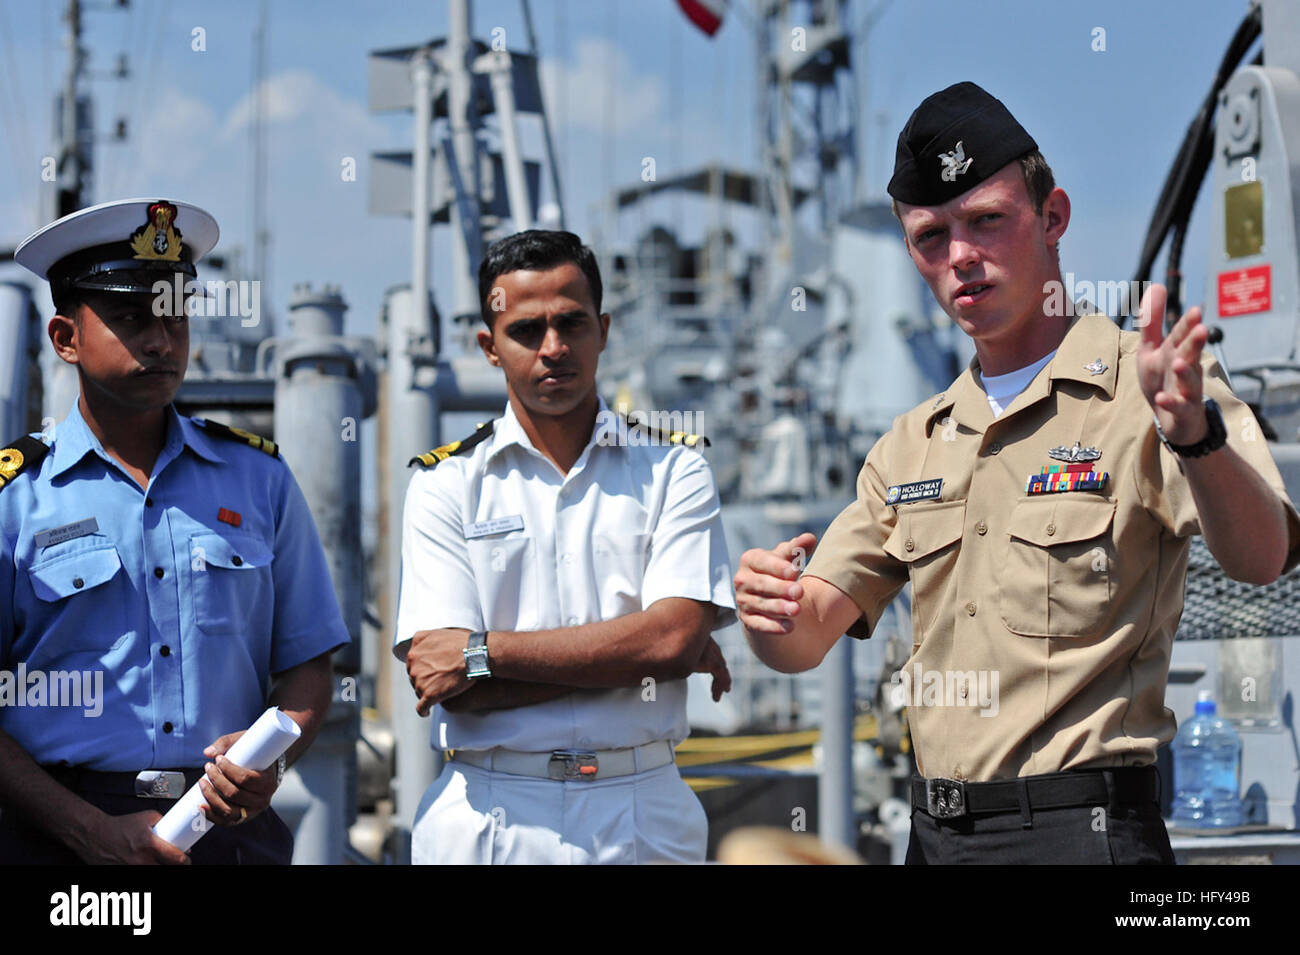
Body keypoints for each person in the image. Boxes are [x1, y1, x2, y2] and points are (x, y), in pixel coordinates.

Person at [734, 83, 1300, 864]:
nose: (961, 254)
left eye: (987, 221)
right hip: (934, 838)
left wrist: (1195, 435)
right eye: (931, 236)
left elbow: (1261, 557)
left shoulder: (1146, 389)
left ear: (1054, 217)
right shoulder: (911, 446)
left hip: (1082, 832)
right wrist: (769, 614)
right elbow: (807, 635)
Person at [0, 198, 349, 864]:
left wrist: (269, 769)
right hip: (56, 839)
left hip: (228, 831)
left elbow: (309, 664)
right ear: (64, 338)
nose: (162, 342)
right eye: (133, 318)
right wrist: (83, 829)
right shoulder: (16, 497)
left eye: (175, 316)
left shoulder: (259, 479)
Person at [395, 229, 735, 864]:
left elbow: (670, 641)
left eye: (572, 324)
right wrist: (639, 655)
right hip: (490, 813)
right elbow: (445, 684)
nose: (554, 348)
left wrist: (480, 654)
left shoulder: (674, 470)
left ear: (603, 330)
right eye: (526, 331)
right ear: (488, 348)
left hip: (639, 810)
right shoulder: (445, 485)